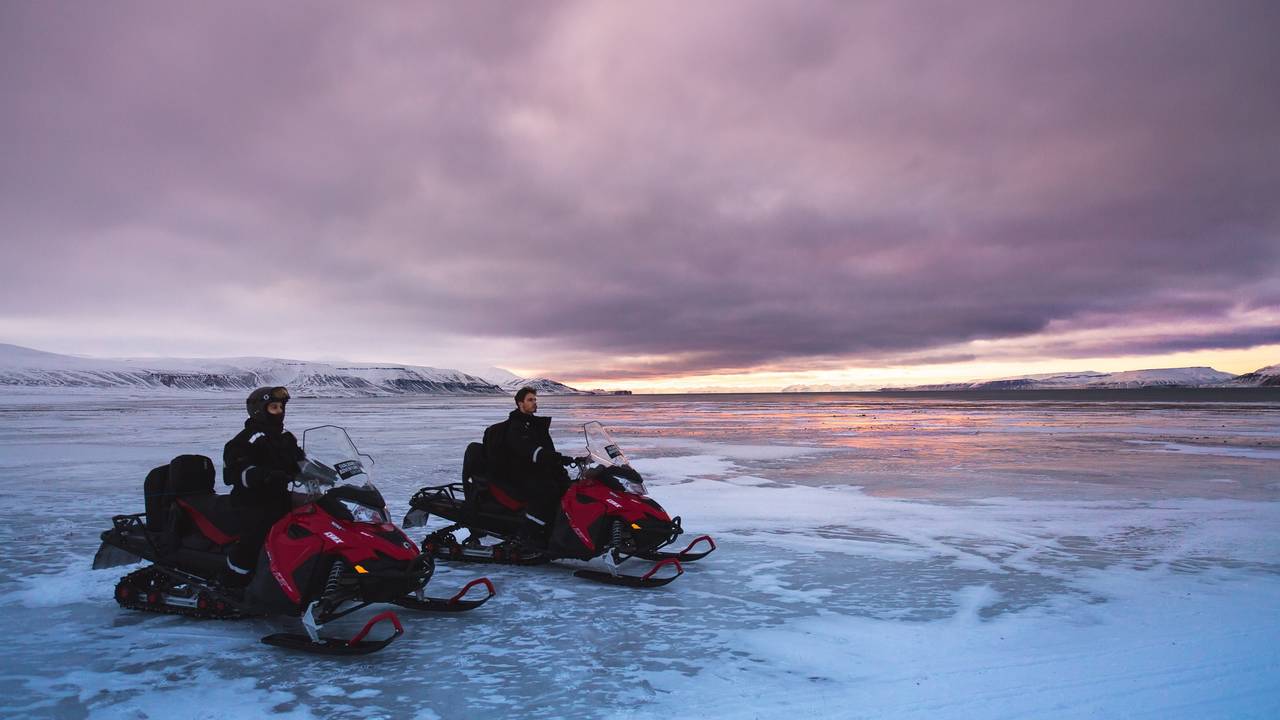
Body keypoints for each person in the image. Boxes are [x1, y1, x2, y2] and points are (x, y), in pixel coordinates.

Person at [221, 386, 304, 585]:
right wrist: (263, 475)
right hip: (252, 502)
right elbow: (233, 473)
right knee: (257, 538)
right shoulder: (245, 440)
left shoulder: (286, 438)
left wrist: (323, 472)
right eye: (274, 407)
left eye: (281, 407)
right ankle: (234, 583)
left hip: (281, 499)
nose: (280, 412)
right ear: (260, 410)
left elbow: (300, 460)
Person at [484, 387, 583, 546]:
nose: (534, 403)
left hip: (536, 470)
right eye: (530, 400)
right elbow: (528, 450)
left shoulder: (533, 424)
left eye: (535, 399)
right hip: (518, 473)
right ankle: (529, 535)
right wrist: (554, 458)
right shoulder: (516, 427)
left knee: (569, 487)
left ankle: (567, 532)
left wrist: (560, 461)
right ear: (520, 403)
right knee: (547, 493)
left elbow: (545, 449)